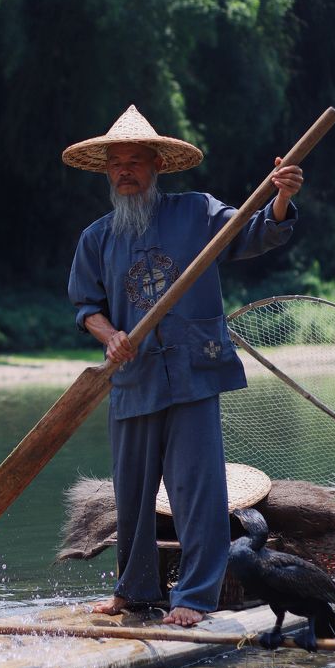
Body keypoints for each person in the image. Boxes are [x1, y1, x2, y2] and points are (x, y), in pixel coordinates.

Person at [64, 104, 304, 627]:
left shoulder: (198, 212)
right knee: (131, 492)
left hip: (195, 370)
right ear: (108, 173)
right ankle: (136, 591)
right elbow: (86, 306)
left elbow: (255, 233)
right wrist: (111, 336)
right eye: (116, 164)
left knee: (198, 489)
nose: (125, 170)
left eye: (135, 161)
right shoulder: (97, 237)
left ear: (156, 167)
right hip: (133, 377)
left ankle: (194, 596)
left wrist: (282, 196)